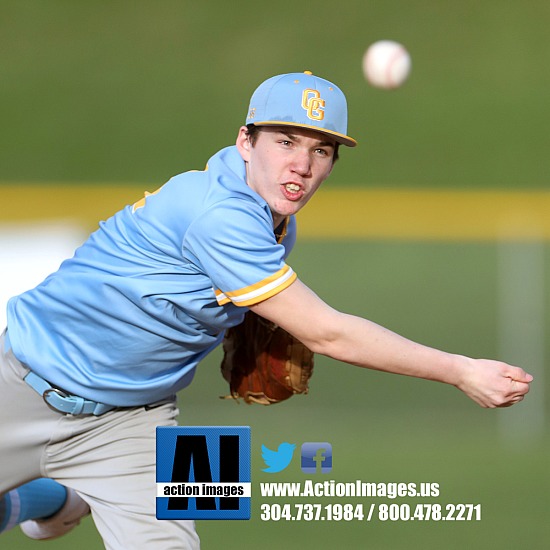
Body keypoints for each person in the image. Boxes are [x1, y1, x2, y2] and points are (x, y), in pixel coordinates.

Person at [0, 71, 533, 548]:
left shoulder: (277, 221)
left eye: (321, 150)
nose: (301, 164)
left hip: (136, 416)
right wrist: (462, 370)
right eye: (285, 141)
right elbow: (329, 335)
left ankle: (65, 498)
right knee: (203, 486)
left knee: (198, 507)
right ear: (245, 141)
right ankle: (53, 501)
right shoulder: (219, 213)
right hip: (21, 386)